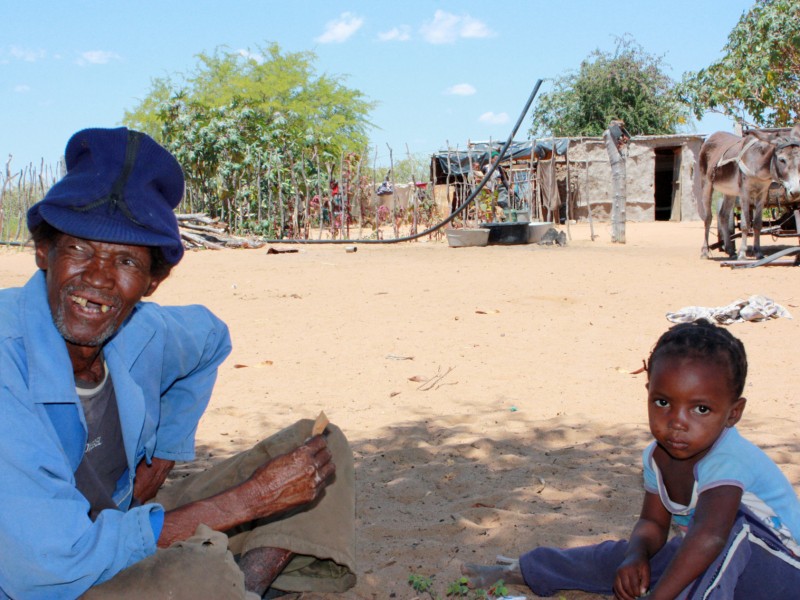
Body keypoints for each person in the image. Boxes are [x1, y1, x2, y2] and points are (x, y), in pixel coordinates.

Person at [0, 127, 356, 599]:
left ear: (152, 282)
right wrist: (252, 499)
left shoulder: (142, 330)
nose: (99, 279)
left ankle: (245, 589)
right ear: (44, 253)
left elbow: (212, 338)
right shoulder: (9, 361)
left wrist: (166, 451)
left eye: (126, 261)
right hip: (49, 571)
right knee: (198, 573)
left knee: (318, 446)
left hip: (116, 524)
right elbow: (50, 566)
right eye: (80, 249)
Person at [463, 320, 800, 599]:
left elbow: (710, 537)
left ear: (733, 413)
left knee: (716, 540)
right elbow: (654, 525)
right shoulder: (656, 457)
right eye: (663, 402)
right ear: (648, 392)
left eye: (701, 409)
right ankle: (524, 569)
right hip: (716, 562)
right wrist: (637, 556)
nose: (677, 421)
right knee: (628, 558)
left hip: (781, 573)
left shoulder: (729, 458)